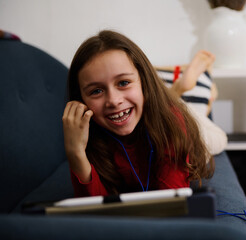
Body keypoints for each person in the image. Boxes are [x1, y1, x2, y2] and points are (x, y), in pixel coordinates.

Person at [62, 30, 215, 197]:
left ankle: (182, 89)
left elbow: (171, 203)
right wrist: (76, 152)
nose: (113, 100)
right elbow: (96, 208)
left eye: (123, 82)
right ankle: (176, 90)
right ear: (81, 100)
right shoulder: (87, 135)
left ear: (144, 81)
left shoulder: (172, 123)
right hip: (142, 108)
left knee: (213, 136)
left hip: (177, 118)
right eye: (96, 91)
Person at [156, 50, 228, 155]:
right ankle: (174, 94)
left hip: (165, 114)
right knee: (220, 138)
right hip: (181, 130)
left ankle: (175, 93)